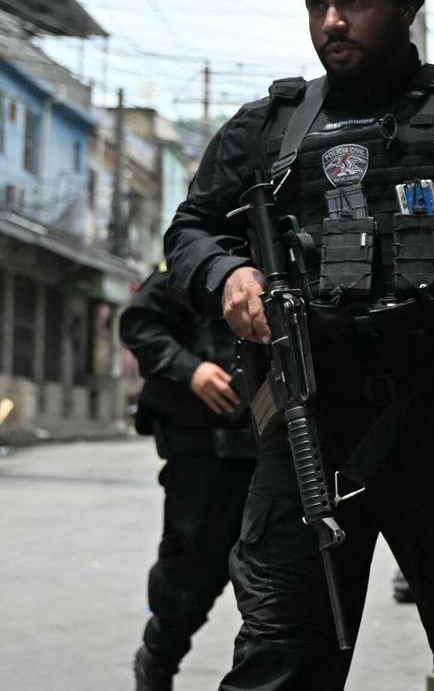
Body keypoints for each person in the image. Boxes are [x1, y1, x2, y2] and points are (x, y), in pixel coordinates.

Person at [163, 0, 434, 691]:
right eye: (318, 4)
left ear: (405, 8)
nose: (332, 22)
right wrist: (228, 273)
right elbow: (189, 229)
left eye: (354, 1)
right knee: (280, 656)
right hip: (308, 423)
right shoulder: (269, 126)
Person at [119, 264, 257, 691]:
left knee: (272, 583)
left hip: (274, 445)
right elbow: (139, 323)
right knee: (190, 570)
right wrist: (190, 370)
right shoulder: (194, 257)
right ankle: (158, 657)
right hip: (201, 450)